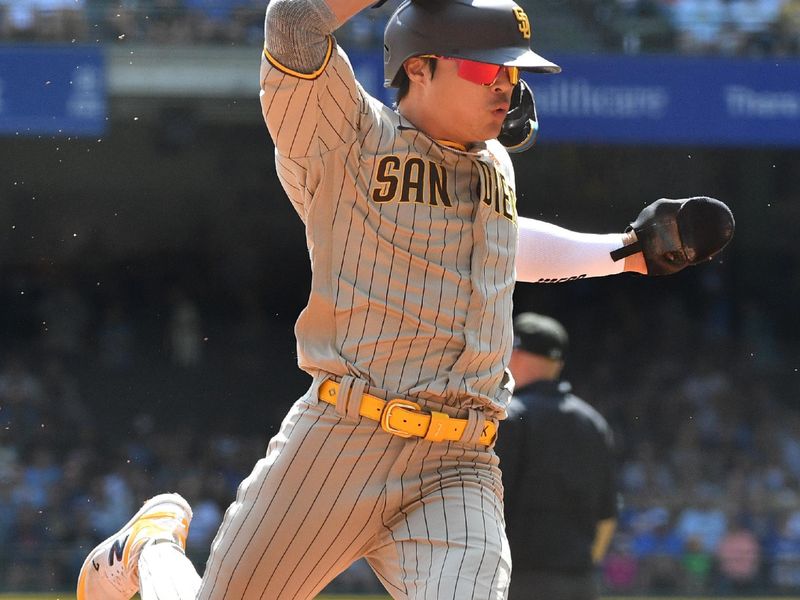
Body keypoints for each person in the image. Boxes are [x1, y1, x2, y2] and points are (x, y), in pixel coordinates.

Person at [76, 0, 734, 598]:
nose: (507, 86)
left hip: (461, 460)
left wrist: (626, 251)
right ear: (420, 69)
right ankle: (151, 551)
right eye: (488, 72)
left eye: (513, 75)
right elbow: (294, 24)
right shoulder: (350, 138)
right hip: (342, 441)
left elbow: (506, 248)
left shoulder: (492, 164)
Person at [495, 312, 618, 600]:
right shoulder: (594, 423)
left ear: (515, 353)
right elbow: (607, 517)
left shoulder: (509, 418)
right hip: (580, 584)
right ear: (558, 363)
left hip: (517, 582)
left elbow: (489, 505)